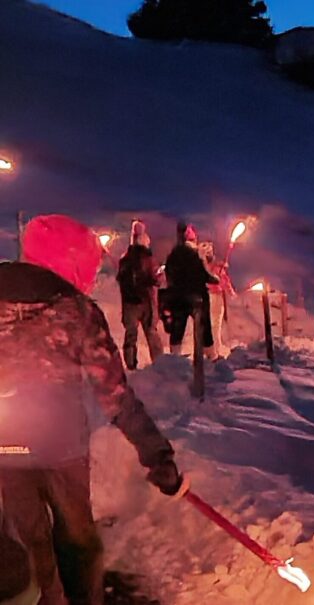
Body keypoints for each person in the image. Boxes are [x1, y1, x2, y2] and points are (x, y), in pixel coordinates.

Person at [0, 215, 185, 605]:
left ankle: (47, 596)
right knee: (77, 538)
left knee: (30, 536)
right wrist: (157, 455)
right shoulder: (77, 310)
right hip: (62, 443)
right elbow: (115, 394)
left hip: (4, 443)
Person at [163, 223, 219, 356]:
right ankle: (209, 355)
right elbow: (203, 273)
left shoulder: (174, 253)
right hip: (197, 296)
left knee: (178, 327)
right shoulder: (196, 254)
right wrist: (214, 279)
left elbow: (168, 272)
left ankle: (174, 355)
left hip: (178, 296)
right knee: (203, 326)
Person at [116, 220, 164, 370]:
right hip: (146, 301)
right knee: (151, 332)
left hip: (129, 303)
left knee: (130, 334)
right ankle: (160, 363)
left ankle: (131, 364)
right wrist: (159, 276)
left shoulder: (124, 259)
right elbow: (155, 280)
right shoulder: (149, 259)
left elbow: (121, 279)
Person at [199, 242, 236, 361]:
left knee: (209, 325)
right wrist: (231, 293)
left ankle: (209, 349)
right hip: (214, 296)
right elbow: (223, 281)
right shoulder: (214, 268)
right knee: (215, 325)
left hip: (205, 297)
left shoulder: (201, 266)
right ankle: (214, 350)